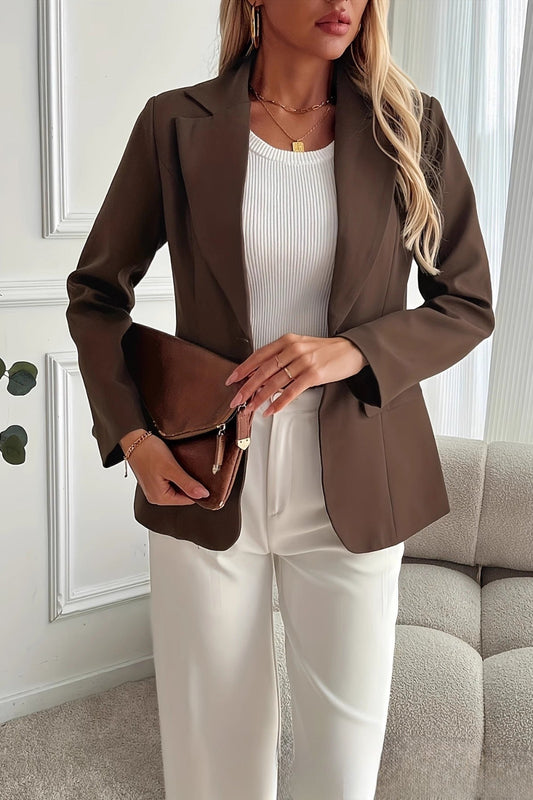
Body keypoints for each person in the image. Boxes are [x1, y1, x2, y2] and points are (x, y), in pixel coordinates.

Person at [65, 0, 495, 798]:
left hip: (356, 466)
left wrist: (351, 350)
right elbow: (96, 296)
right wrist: (133, 438)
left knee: (342, 759)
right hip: (203, 469)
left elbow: (466, 304)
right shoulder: (174, 124)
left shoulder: (410, 125)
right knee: (211, 751)